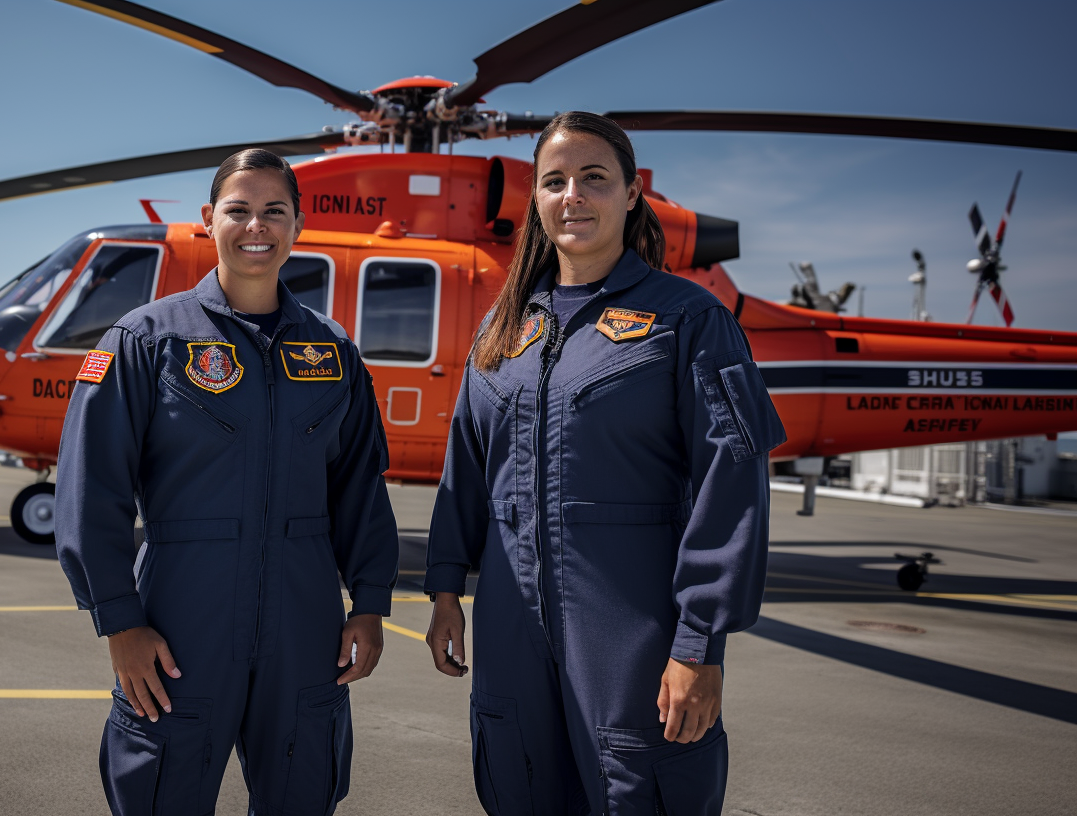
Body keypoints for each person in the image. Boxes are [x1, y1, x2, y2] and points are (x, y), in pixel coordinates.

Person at [423, 112, 785, 816]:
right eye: (554, 182)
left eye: (593, 178)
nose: (572, 196)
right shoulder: (503, 331)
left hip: (634, 640)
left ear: (631, 194)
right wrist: (443, 588)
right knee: (515, 780)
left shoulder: (689, 319)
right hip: (507, 633)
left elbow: (731, 480)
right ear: (536, 202)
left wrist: (698, 645)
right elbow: (464, 471)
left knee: (639, 788)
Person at [56, 149, 399, 816]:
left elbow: (360, 485)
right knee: (162, 792)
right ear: (210, 220)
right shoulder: (144, 340)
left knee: (304, 792)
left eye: (274, 212)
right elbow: (91, 488)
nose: (256, 227)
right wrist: (120, 623)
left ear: (298, 227)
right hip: (183, 620)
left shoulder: (333, 354)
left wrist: (370, 602)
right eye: (238, 211)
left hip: (306, 625)